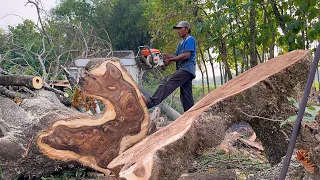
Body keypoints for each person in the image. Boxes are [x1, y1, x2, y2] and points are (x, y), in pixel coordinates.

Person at [146, 21, 197, 112]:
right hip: (184, 70)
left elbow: (186, 55)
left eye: (180, 28)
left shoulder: (190, 39)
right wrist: (165, 56)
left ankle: (151, 103)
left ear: (187, 29)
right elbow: (176, 56)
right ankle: (190, 114)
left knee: (168, 80)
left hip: (186, 69)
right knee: (186, 96)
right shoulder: (181, 43)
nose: (178, 31)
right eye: (177, 29)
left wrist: (170, 60)